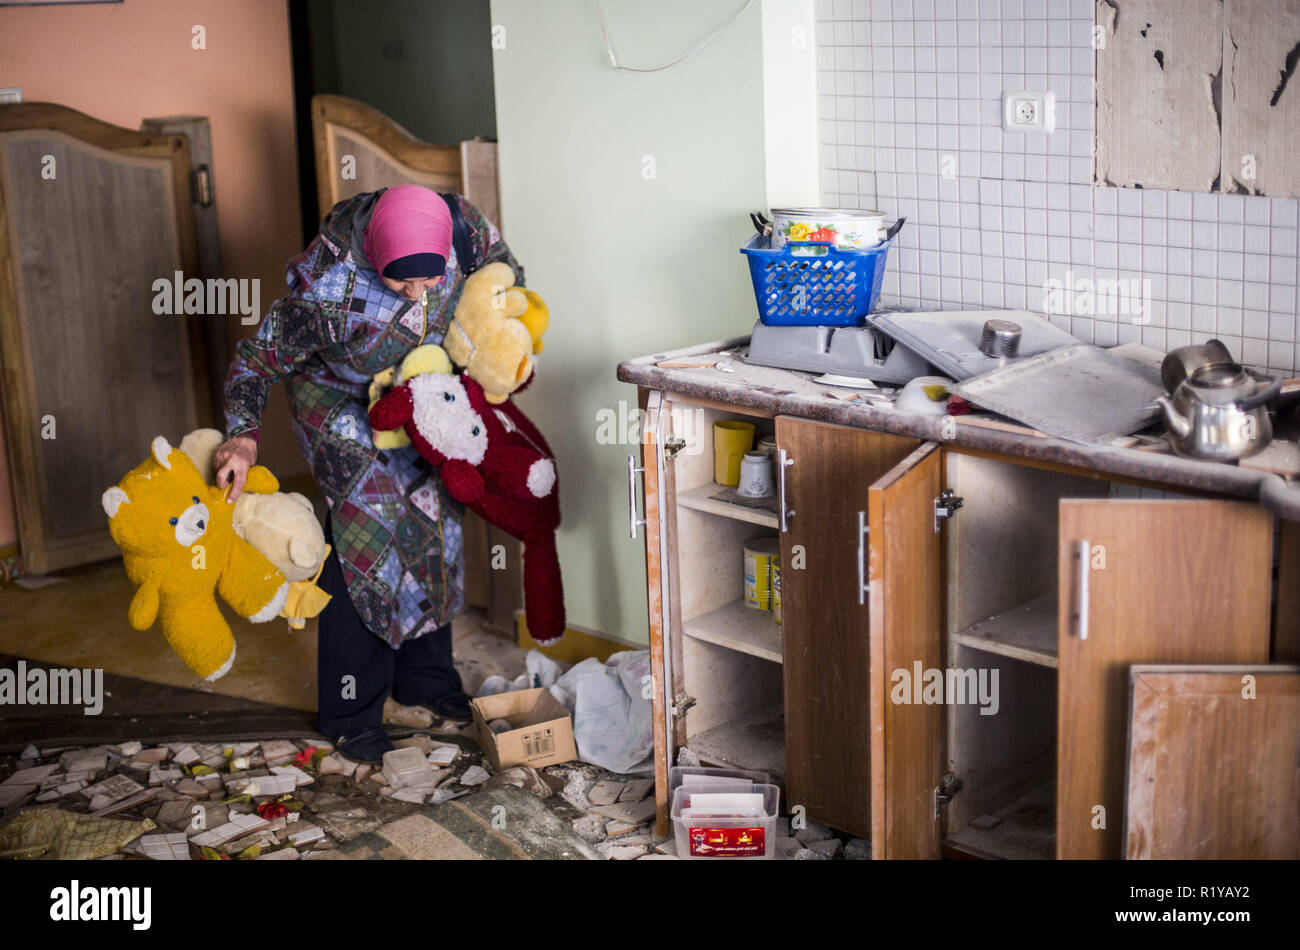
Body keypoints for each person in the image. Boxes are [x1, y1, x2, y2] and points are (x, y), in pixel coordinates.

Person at [213, 184, 524, 763]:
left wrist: (498, 345)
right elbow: (256, 360)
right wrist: (242, 435)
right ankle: (351, 711)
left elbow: (505, 283)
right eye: (399, 281)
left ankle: (427, 681)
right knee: (368, 535)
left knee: (436, 519)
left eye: (427, 279)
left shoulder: (461, 228)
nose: (415, 293)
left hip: (419, 385)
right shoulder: (329, 289)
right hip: (338, 399)